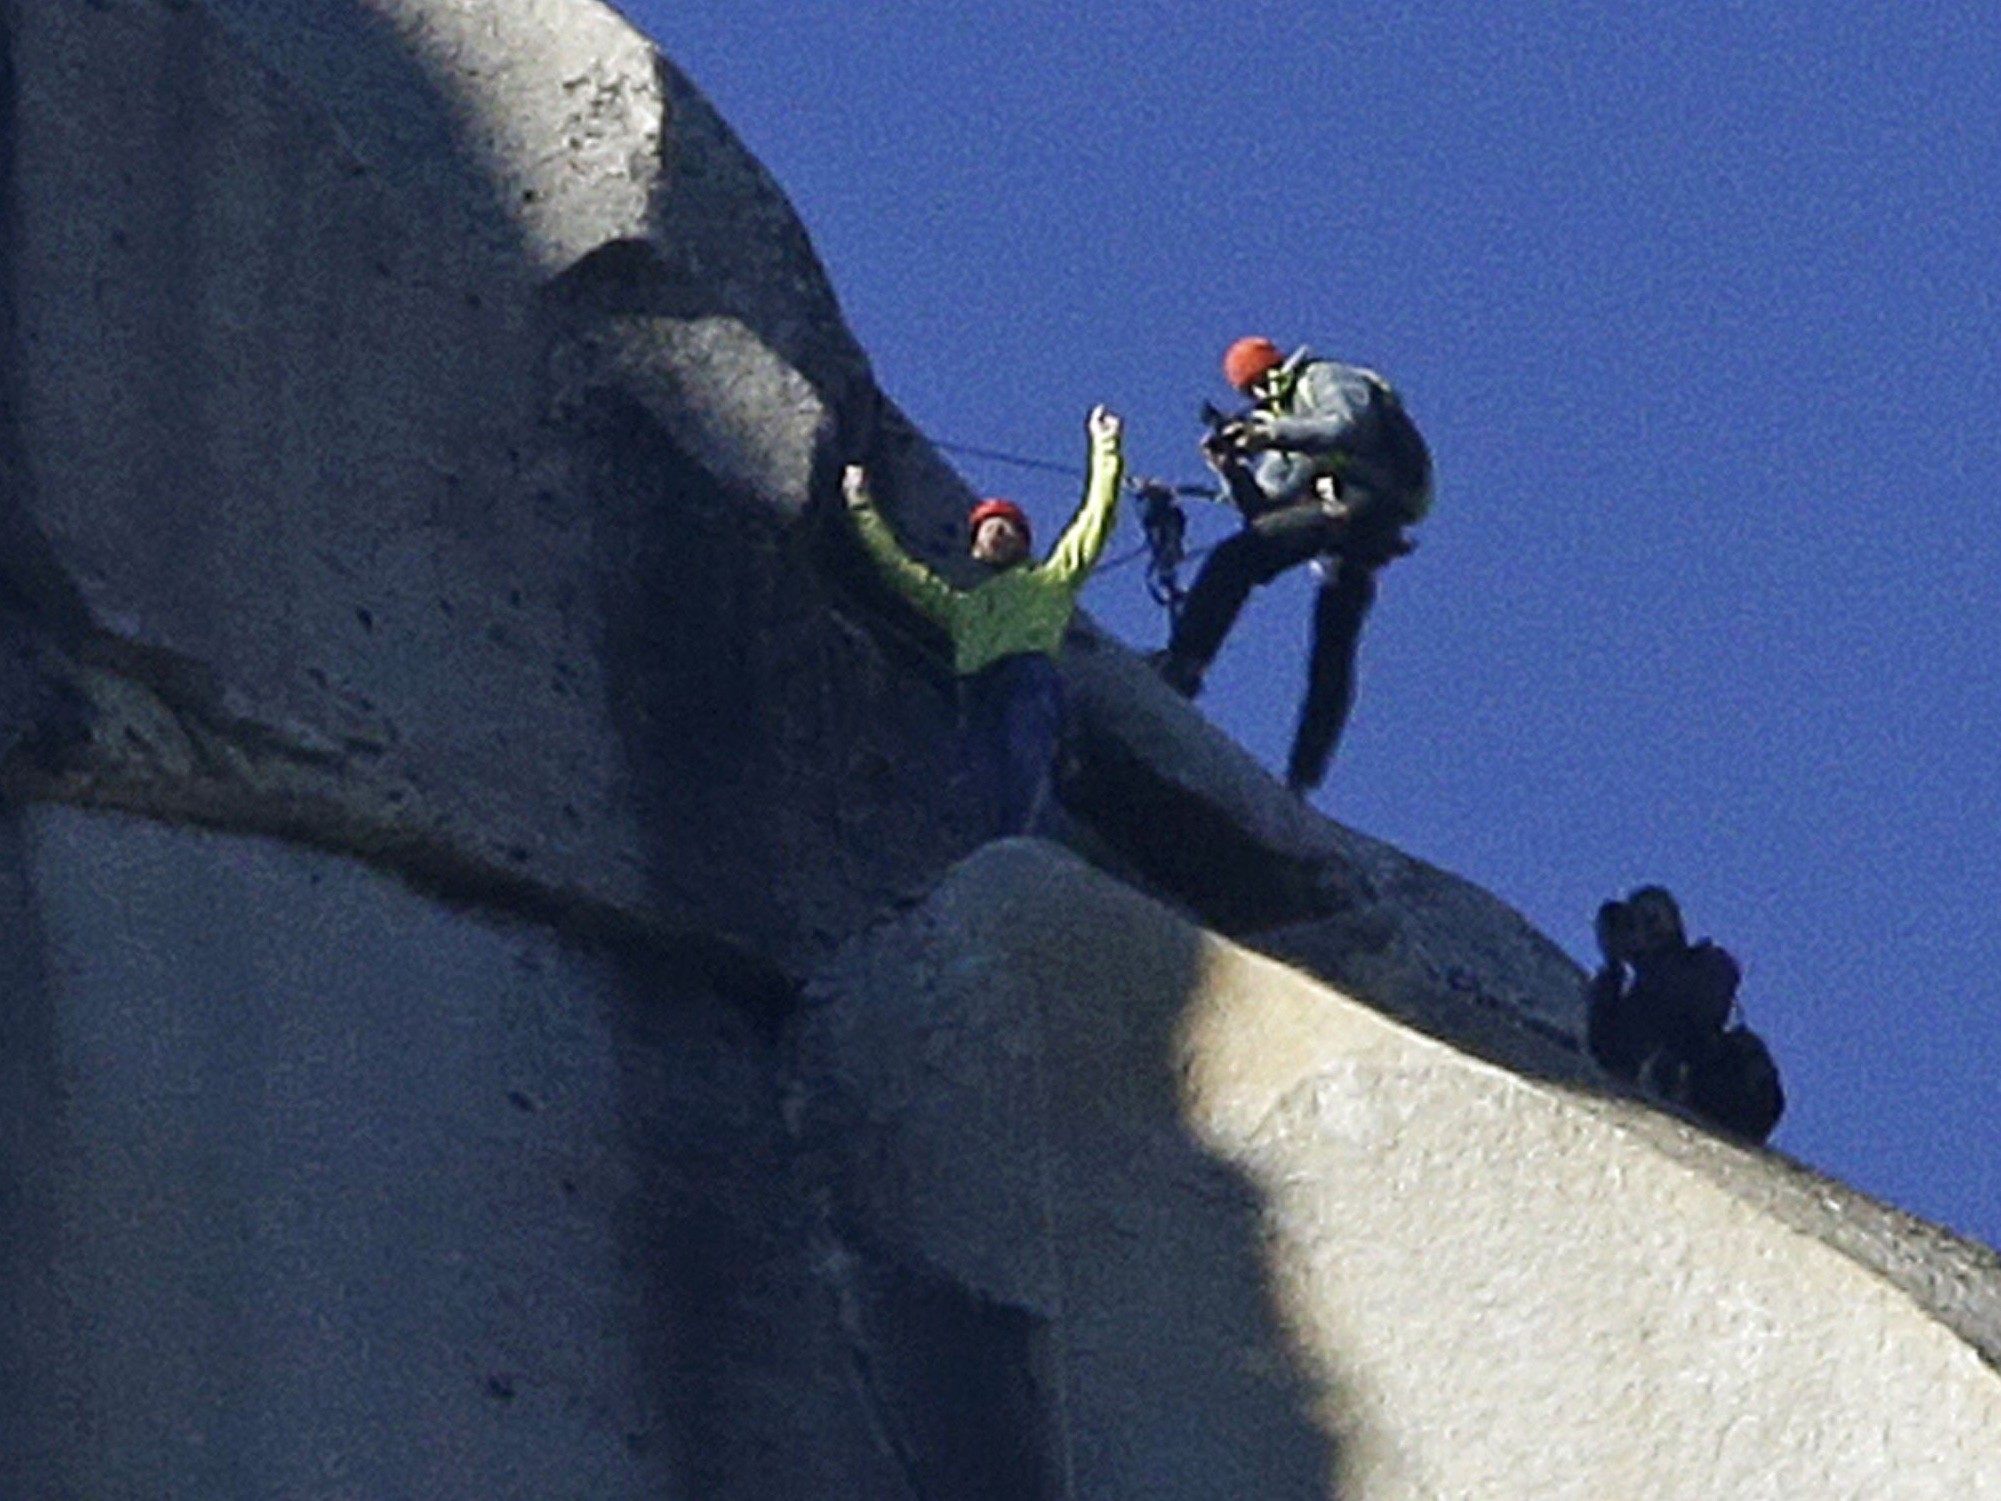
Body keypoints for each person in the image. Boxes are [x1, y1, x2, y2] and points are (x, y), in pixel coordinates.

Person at [1153, 336, 1432, 793]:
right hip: (1358, 522)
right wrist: (1232, 468)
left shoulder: (1321, 378)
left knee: (1234, 560)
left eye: (1260, 382)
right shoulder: (1282, 418)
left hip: (1366, 502)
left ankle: (1185, 663)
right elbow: (1266, 514)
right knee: (1332, 642)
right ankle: (1303, 778)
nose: (1258, 395)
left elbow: (1347, 425)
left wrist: (1268, 434)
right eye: (1251, 390)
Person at [843, 405, 1124, 838]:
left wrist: (1106, 447)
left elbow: (1095, 518)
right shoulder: (963, 608)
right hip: (974, 690)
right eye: (988, 529)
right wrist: (860, 506)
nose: (996, 533)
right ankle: (992, 850)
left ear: (1024, 543)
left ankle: (1023, 847)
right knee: (975, 778)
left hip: (1027, 677)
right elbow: (898, 570)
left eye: (1007, 528)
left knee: (1024, 762)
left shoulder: (1050, 581)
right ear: (975, 549)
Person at [1585, 886, 1785, 1143]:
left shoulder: (1706, 964)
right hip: (1679, 1100)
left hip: (1729, 1088)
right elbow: (1609, 1054)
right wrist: (1613, 968)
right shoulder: (1632, 1001)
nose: (1651, 929)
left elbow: (1696, 1004)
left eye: (1655, 918)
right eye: (1640, 923)